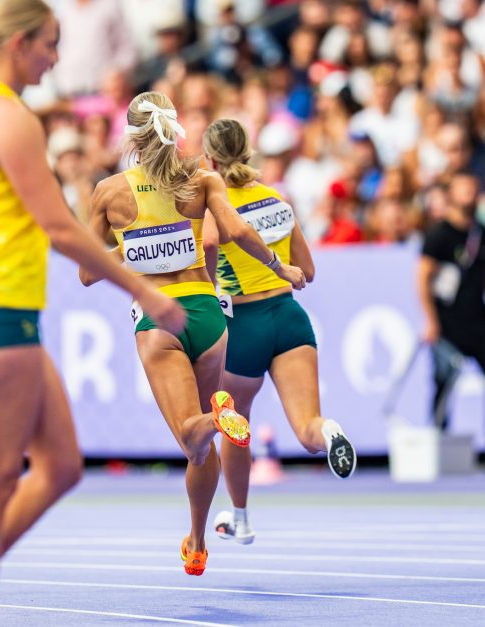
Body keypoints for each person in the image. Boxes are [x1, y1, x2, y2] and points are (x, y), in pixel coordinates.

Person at [0, 3, 186, 625]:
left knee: (60, 465)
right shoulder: (7, 118)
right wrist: (144, 291)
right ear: (19, 43)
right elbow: (59, 226)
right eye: (50, 45)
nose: (57, 59)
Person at [79, 94, 306, 576]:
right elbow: (240, 232)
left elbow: (85, 272)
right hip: (209, 316)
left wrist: (133, 249)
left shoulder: (110, 191)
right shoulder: (203, 179)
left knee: (190, 435)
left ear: (132, 137)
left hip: (159, 319)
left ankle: (217, 422)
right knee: (202, 438)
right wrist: (280, 266)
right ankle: (197, 539)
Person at [200, 118, 357, 545]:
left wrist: (211, 288)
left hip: (243, 324)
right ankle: (330, 433)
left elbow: (211, 245)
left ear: (209, 159)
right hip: (289, 317)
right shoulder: (277, 199)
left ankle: (242, 518)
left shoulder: (216, 206)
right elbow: (307, 270)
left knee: (236, 423)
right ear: (247, 151)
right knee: (306, 427)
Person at [417, 171, 485, 469]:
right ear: (451, 196)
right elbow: (423, 278)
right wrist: (431, 321)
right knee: (443, 383)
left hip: (480, 321)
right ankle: (438, 442)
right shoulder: (438, 235)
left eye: (474, 189)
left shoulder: (482, 234)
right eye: (465, 190)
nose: (471, 195)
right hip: (448, 324)